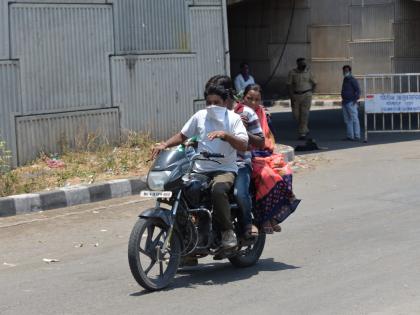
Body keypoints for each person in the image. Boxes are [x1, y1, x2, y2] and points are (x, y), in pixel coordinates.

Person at [152, 84, 248, 249]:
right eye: (209, 102)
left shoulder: (233, 119)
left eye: (216, 102)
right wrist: (164, 144)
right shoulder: (200, 116)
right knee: (181, 192)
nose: (212, 106)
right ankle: (187, 238)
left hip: (225, 169)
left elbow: (243, 145)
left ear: (225, 102)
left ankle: (227, 232)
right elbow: (183, 135)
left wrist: (226, 136)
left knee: (218, 190)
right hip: (199, 169)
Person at [207, 75, 265, 239]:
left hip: (239, 163)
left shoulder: (246, 113)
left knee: (240, 193)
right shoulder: (211, 114)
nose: (212, 103)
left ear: (227, 94)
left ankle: (247, 223)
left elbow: (261, 141)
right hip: (212, 163)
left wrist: (241, 133)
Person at [240, 84, 299, 234]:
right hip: (247, 155)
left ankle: (273, 217)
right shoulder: (238, 114)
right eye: (249, 99)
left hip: (264, 153)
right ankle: (264, 218)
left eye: (257, 100)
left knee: (285, 172)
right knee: (269, 177)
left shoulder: (263, 114)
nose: (253, 103)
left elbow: (268, 139)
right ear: (243, 98)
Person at [287, 58, 317, 140]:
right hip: (296, 96)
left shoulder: (308, 72)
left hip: (306, 95)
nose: (304, 65)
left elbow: (315, 83)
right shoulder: (292, 72)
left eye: (304, 64)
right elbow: (289, 85)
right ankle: (304, 128)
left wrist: (311, 92)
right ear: (298, 64)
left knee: (304, 114)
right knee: (296, 115)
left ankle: (302, 132)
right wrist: (291, 96)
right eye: (302, 64)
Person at [341, 65, 361, 141]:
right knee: (348, 120)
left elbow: (358, 91)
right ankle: (350, 136)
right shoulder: (345, 79)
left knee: (354, 119)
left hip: (351, 102)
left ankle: (357, 135)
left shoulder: (353, 80)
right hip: (345, 102)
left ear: (350, 71)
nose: (345, 72)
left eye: (346, 71)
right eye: (344, 71)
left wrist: (355, 100)